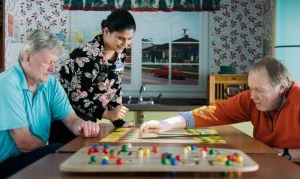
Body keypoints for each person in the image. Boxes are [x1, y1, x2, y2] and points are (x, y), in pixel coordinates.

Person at [139, 57, 300, 161]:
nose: (252, 96)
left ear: (282, 87)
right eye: (251, 88)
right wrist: (167, 123)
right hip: (268, 162)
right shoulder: (251, 99)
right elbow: (214, 113)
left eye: (260, 90)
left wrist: (284, 154)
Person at [0, 29, 101, 178]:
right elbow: (23, 141)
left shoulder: (51, 85)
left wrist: (83, 126)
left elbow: (71, 119)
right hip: (5, 164)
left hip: (28, 157)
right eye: (48, 62)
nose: (53, 68)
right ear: (28, 58)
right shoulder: (7, 83)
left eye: (55, 62)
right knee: (59, 152)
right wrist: (56, 152)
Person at [50, 10, 136, 144]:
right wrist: (107, 114)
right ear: (106, 32)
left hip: (89, 120)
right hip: (66, 120)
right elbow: (76, 96)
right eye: (121, 38)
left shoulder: (120, 53)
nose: (125, 44)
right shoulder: (87, 55)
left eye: (129, 39)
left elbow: (115, 85)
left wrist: (118, 121)